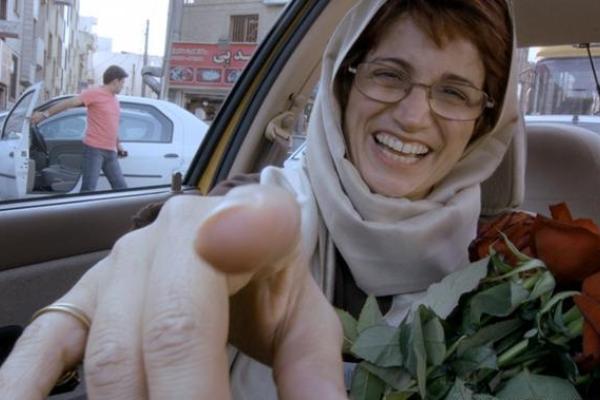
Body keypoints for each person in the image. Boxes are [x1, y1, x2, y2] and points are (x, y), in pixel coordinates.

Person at [0, 0, 521, 398]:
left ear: (485, 124)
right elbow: (194, 236)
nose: (412, 116)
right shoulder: (260, 210)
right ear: (344, 83)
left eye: (454, 92)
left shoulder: (514, 266)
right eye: (389, 75)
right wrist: (170, 268)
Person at [31, 65, 129, 192]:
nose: (123, 86)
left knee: (121, 189)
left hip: (111, 152)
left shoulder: (115, 100)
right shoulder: (94, 93)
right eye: (122, 82)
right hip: (95, 150)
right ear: (115, 81)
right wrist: (44, 114)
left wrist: (118, 145)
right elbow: (69, 103)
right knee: (88, 190)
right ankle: (81, 212)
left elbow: (112, 124)